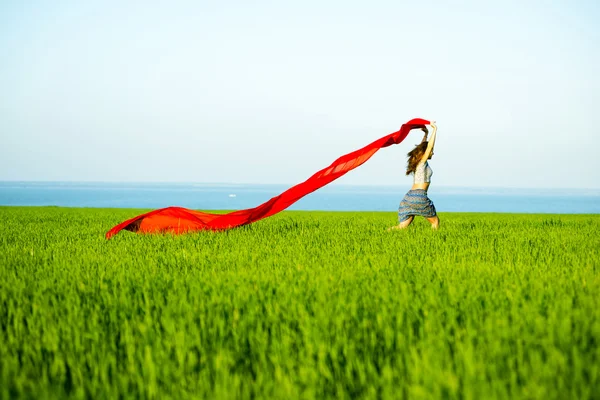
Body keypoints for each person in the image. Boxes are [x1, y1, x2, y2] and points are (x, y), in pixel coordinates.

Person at [389, 121, 439, 230]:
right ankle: (433, 241)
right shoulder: (422, 163)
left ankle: (383, 233)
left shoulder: (417, 162)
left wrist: (425, 134)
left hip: (408, 197)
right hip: (419, 196)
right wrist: (434, 130)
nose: (432, 153)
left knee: (402, 226)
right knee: (435, 222)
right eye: (432, 151)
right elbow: (428, 147)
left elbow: (423, 148)